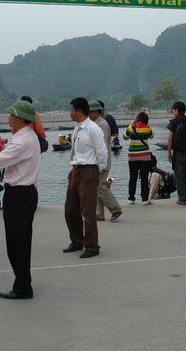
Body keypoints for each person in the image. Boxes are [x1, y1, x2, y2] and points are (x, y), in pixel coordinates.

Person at [0, 99, 42, 300]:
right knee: (23, 239)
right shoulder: (28, 137)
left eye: (11, 115)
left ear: (18, 118)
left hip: (17, 194)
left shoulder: (21, 141)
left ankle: (23, 287)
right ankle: (23, 280)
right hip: (28, 192)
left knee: (15, 241)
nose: (8, 117)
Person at [63, 97, 108, 259]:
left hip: (88, 170)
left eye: (71, 110)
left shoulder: (93, 129)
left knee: (88, 211)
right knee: (70, 209)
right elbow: (75, 152)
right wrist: (72, 169)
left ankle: (92, 246)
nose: (70, 113)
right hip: (76, 170)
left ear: (79, 111)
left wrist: (98, 171)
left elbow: (102, 152)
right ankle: (77, 240)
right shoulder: (77, 128)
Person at [90, 100, 123, 222]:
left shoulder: (102, 124)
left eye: (90, 112)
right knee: (97, 186)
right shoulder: (97, 123)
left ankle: (115, 209)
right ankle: (99, 214)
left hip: (102, 161)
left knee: (100, 186)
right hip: (99, 161)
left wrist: (100, 164)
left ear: (95, 112)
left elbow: (102, 145)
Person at [124, 111, 154, 204]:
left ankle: (131, 198)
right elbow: (152, 136)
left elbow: (125, 137)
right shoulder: (148, 128)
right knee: (144, 178)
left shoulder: (131, 127)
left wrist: (132, 125)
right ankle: (145, 199)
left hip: (132, 157)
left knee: (133, 177)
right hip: (145, 157)